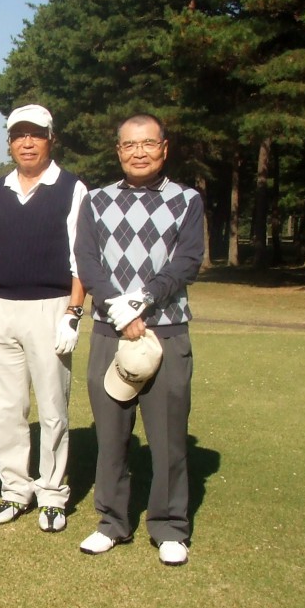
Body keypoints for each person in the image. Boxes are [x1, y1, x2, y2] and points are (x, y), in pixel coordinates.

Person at [74, 113, 204, 566]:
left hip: (165, 328)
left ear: (164, 148)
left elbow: (187, 261)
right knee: (111, 435)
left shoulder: (187, 200)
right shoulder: (95, 200)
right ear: (118, 151)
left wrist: (140, 303)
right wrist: (120, 310)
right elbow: (88, 265)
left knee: (168, 436)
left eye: (148, 143)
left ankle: (169, 526)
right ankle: (111, 521)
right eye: (129, 145)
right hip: (111, 331)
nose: (139, 152)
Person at [0, 104, 88, 533]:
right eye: (19, 135)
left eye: (36, 134)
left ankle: (51, 493)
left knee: (52, 408)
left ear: (51, 138)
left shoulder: (72, 188)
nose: (27, 142)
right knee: (8, 407)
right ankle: (14, 489)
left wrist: (73, 313)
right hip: (1, 305)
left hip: (52, 306)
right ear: (9, 141)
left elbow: (83, 258)